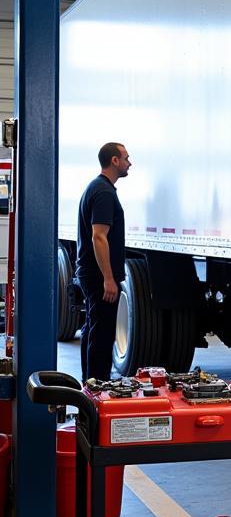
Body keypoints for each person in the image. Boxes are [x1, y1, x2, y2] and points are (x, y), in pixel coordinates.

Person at [76, 142, 131, 381]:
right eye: (127, 158)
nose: (130, 163)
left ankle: (89, 386)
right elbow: (99, 236)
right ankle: (98, 389)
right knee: (101, 336)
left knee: (93, 330)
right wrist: (108, 278)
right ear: (114, 161)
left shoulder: (96, 188)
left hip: (92, 274)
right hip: (99, 277)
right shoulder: (104, 192)